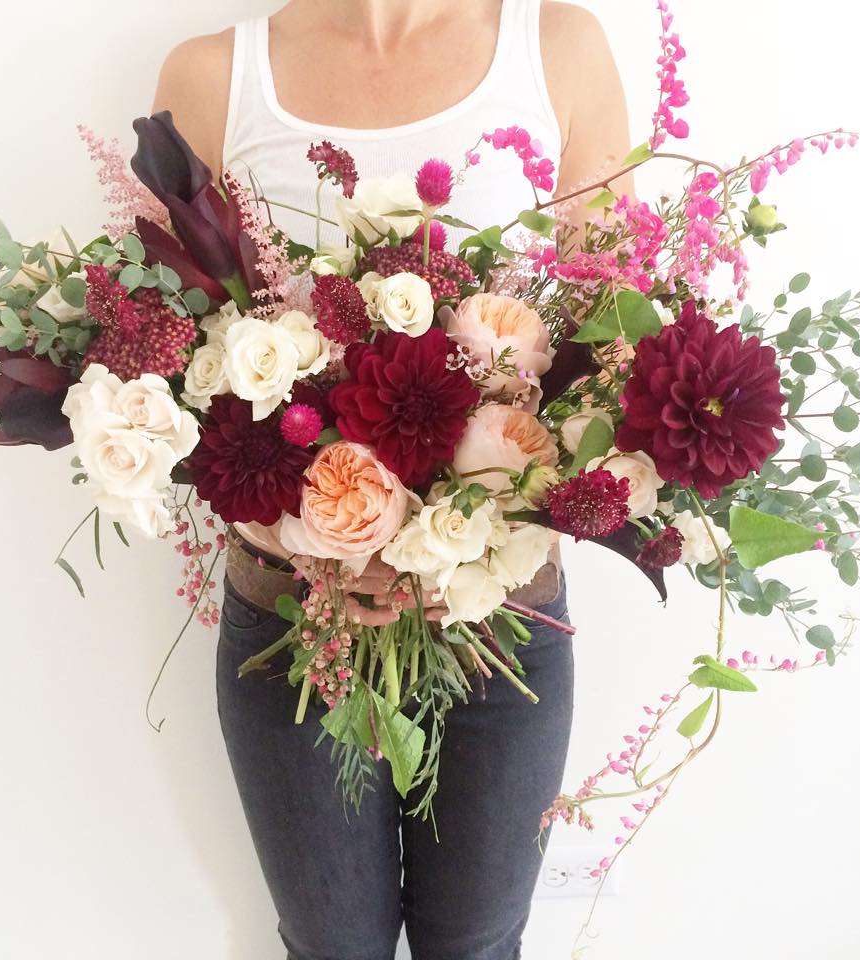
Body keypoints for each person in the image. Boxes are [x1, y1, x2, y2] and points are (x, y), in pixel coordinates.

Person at [153, 2, 635, 957]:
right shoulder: (214, 76)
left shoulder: (556, 49)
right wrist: (315, 544)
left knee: (480, 945)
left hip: (502, 622)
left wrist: (462, 541)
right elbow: (158, 381)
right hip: (297, 625)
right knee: (333, 946)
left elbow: (611, 353)